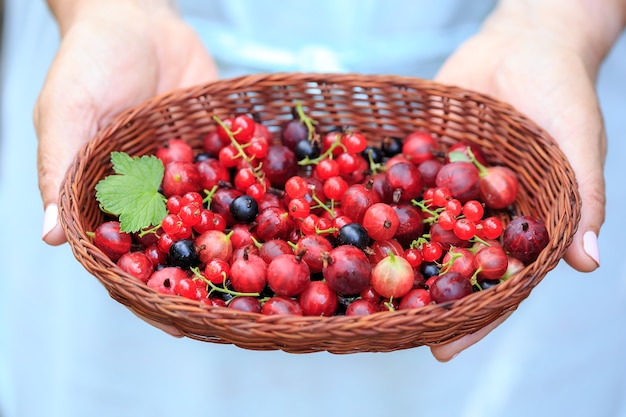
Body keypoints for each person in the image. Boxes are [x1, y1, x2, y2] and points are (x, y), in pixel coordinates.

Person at [1, 0, 626, 416]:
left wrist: (555, 28)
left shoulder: (392, 209)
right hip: (159, 63)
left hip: (484, 70)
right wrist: (105, 13)